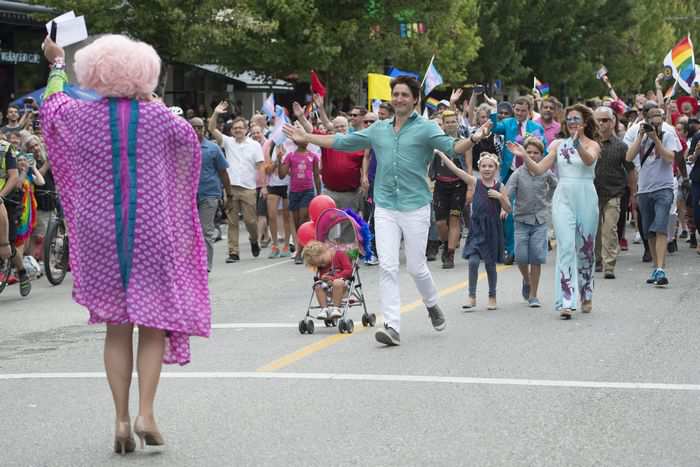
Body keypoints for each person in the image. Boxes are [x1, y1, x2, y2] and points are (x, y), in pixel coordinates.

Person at [40, 34, 211, 454]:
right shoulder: (164, 121)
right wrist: (150, 101)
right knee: (151, 326)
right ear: (144, 74)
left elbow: (51, 108)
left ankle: (119, 420)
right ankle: (145, 414)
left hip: (99, 233)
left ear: (94, 73)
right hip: (152, 230)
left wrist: (57, 63)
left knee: (117, 329)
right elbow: (190, 152)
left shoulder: (79, 116)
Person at [283, 76, 478, 346]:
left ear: (415, 99)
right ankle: (392, 326)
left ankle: (432, 304)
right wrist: (308, 136)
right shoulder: (378, 129)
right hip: (385, 205)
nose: (399, 99)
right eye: (395, 94)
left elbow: (452, 147)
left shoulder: (425, 128)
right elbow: (342, 141)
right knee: (387, 267)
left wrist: (473, 139)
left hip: (415, 205)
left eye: (404, 95)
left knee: (416, 267)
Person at [510, 104, 601, 319]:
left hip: (586, 195)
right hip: (563, 198)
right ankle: (567, 300)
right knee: (566, 247)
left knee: (585, 248)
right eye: (569, 119)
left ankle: (586, 293)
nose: (572, 123)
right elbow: (540, 169)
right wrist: (524, 155)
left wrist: (577, 143)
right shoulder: (557, 144)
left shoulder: (593, 145)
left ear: (585, 122)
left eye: (576, 119)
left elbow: (589, 160)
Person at [435, 149, 510, 310]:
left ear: (496, 168)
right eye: (484, 166)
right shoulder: (475, 182)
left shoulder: (500, 186)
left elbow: (509, 208)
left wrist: (501, 197)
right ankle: (472, 296)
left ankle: (492, 296)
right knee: (473, 262)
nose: (487, 169)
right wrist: (442, 155)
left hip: (492, 229)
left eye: (490, 166)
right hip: (477, 228)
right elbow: (457, 171)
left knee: (490, 264)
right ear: (479, 168)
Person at [624, 106, 682, 286]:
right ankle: (657, 268)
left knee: (660, 227)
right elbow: (628, 157)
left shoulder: (668, 134)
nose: (656, 123)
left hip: (664, 187)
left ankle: (660, 269)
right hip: (644, 189)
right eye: (653, 120)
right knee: (649, 230)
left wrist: (656, 139)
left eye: (659, 120)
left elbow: (669, 158)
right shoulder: (637, 133)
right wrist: (641, 136)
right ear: (646, 120)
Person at [490, 97, 547, 264]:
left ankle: (525, 247)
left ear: (529, 110)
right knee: (507, 211)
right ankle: (510, 249)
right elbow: (494, 128)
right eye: (517, 110)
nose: (520, 113)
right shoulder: (508, 123)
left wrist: (532, 140)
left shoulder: (535, 127)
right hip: (510, 172)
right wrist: (494, 110)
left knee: (525, 212)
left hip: (530, 174)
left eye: (523, 110)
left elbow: (543, 147)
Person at [505, 137, 557, 307]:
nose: (532, 156)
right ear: (522, 154)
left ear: (542, 156)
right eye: (529, 152)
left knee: (536, 257)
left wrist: (549, 200)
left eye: (536, 153)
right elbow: (507, 193)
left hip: (540, 220)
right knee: (520, 257)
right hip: (521, 219)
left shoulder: (546, 172)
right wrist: (503, 208)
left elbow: (556, 185)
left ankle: (534, 294)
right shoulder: (518, 173)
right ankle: (526, 280)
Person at [208, 107, 264, 263]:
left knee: (250, 221)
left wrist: (263, 186)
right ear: (231, 131)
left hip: (249, 188)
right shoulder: (228, 142)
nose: (238, 130)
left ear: (246, 129)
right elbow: (211, 128)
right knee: (232, 221)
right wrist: (217, 112)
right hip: (231, 188)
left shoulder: (255, 145)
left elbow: (260, 166)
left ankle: (254, 239)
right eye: (235, 128)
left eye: (240, 128)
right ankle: (233, 252)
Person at [593, 107, 634, 279]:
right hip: (592, 194)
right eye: (599, 120)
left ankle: (609, 265)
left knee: (609, 229)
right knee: (594, 230)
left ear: (613, 122)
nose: (602, 124)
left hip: (614, 193)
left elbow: (631, 170)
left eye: (606, 120)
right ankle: (597, 260)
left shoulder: (621, 146)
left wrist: (633, 194)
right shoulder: (590, 143)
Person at [191, 117, 231, 272]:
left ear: (204, 129)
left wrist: (229, 194)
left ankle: (205, 265)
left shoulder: (213, 149)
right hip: (188, 196)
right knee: (190, 231)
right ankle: (192, 263)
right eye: (193, 127)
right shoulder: (183, 147)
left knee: (206, 230)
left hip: (209, 194)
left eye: (199, 127)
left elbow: (223, 172)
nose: (196, 130)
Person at [278, 136, 321, 264]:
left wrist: (318, 193)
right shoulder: (290, 155)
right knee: (297, 224)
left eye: (305, 137)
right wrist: (279, 160)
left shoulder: (313, 156)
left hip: (308, 191)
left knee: (304, 220)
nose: (304, 140)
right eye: (301, 138)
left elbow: (316, 176)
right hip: (294, 192)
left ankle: (301, 252)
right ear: (295, 141)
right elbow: (281, 175)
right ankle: (300, 248)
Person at [302, 240, 352, 320]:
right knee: (318, 285)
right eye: (319, 265)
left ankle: (336, 309)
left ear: (325, 250)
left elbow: (348, 270)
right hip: (328, 288)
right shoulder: (323, 266)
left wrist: (334, 278)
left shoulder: (339, 254)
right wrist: (324, 278)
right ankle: (324, 309)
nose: (322, 265)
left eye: (322, 261)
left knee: (337, 282)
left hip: (343, 286)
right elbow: (322, 276)